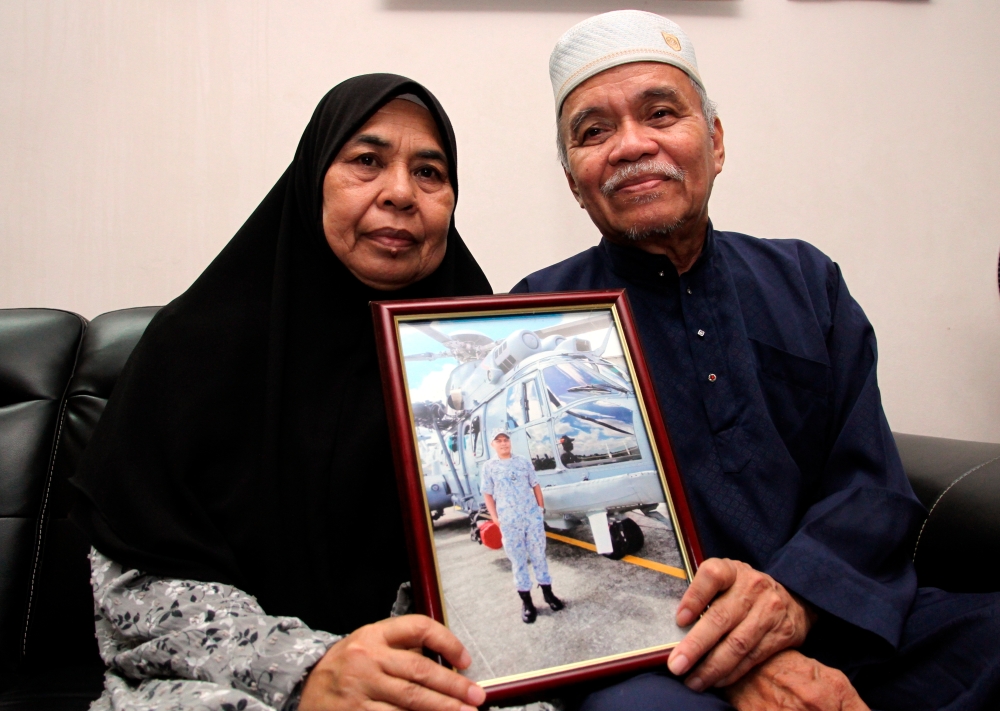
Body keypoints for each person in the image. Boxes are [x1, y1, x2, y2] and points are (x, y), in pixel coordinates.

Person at [512, 11, 1000, 711]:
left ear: (713, 140)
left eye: (661, 112)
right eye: (593, 132)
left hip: (838, 611)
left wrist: (796, 597)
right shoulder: (538, 315)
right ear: (574, 180)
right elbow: (571, 544)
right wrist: (734, 656)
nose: (631, 145)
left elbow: (870, 484)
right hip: (664, 656)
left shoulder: (806, 280)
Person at [69, 74, 493, 711]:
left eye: (429, 172)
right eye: (367, 162)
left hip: (432, 678)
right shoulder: (197, 345)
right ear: (313, 177)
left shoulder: (477, 355)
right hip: (236, 683)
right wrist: (308, 669)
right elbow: (132, 588)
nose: (401, 193)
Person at [480, 430, 565, 623]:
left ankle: (548, 594)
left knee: (539, 556)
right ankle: (527, 603)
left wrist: (540, 509)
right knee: (518, 561)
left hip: (531, 517)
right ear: (493, 445)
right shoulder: (489, 467)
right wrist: (495, 518)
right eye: (499, 441)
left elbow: (535, 485)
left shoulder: (523, 462)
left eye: (506, 440)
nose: (503, 444)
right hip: (509, 521)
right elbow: (487, 494)